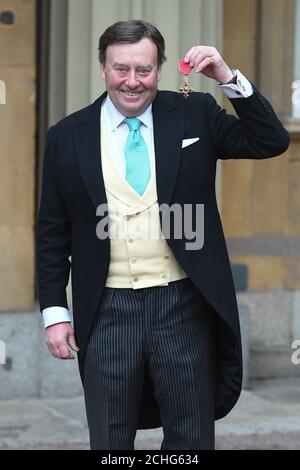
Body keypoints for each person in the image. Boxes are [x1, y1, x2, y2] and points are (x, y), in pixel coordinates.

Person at [37, 20, 289, 450]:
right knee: (110, 437)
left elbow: (270, 140)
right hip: (107, 309)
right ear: (103, 68)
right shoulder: (66, 136)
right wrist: (56, 312)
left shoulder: (195, 112)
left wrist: (227, 79)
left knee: (190, 435)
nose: (132, 82)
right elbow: (52, 232)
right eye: (121, 69)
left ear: (160, 69)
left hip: (183, 305)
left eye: (144, 70)